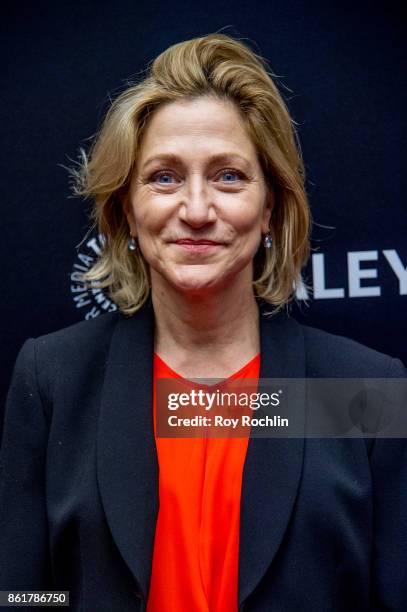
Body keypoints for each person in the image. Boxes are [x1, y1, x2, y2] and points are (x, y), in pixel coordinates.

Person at [1, 32, 406, 612]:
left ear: (269, 208)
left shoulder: (365, 390)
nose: (195, 209)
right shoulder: (55, 380)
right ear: (126, 210)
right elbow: (20, 593)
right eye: (164, 177)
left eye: (229, 176)